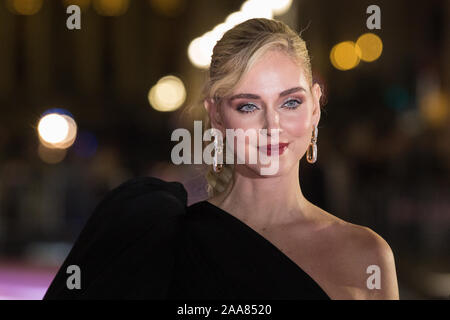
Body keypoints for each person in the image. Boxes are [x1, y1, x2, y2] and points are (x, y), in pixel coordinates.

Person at [44, 18, 399, 300]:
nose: (271, 125)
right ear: (216, 115)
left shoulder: (367, 254)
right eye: (248, 105)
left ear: (316, 107)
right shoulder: (165, 237)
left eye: (290, 102)